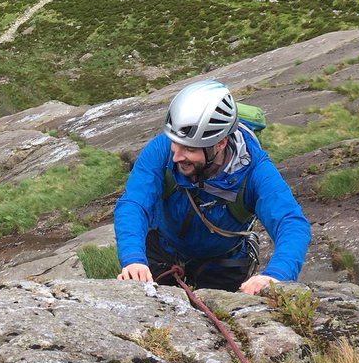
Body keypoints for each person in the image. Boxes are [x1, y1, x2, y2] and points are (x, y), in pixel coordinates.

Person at [114, 79, 310, 294]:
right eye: (174, 143)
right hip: (163, 253)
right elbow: (134, 203)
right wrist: (133, 259)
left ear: (220, 143)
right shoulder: (161, 150)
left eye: (189, 148)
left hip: (222, 266)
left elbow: (290, 222)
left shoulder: (256, 171)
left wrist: (276, 275)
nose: (177, 155)